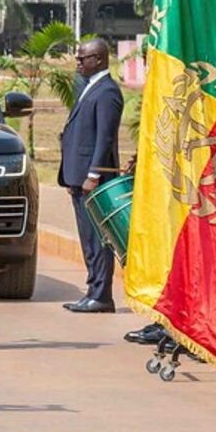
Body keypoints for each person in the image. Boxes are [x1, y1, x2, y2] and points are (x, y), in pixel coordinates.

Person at [59, 37, 124, 313]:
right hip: (78, 175)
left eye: (82, 58)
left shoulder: (108, 91)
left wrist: (93, 174)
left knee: (98, 239)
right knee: (87, 237)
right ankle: (92, 291)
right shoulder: (89, 87)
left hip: (92, 179)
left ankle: (101, 295)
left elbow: (105, 138)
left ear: (98, 59)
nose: (78, 63)